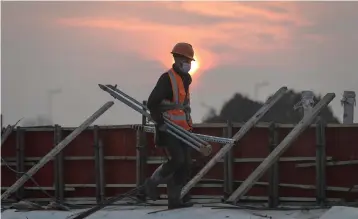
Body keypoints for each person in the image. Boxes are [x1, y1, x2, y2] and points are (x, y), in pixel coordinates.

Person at [144, 42, 195, 209]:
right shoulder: (167, 79)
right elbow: (152, 103)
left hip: (183, 129)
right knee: (178, 160)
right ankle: (151, 183)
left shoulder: (186, 79)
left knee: (186, 163)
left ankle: (174, 200)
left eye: (190, 61)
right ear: (177, 59)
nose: (189, 64)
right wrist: (161, 123)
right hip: (168, 127)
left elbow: (181, 105)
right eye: (187, 60)